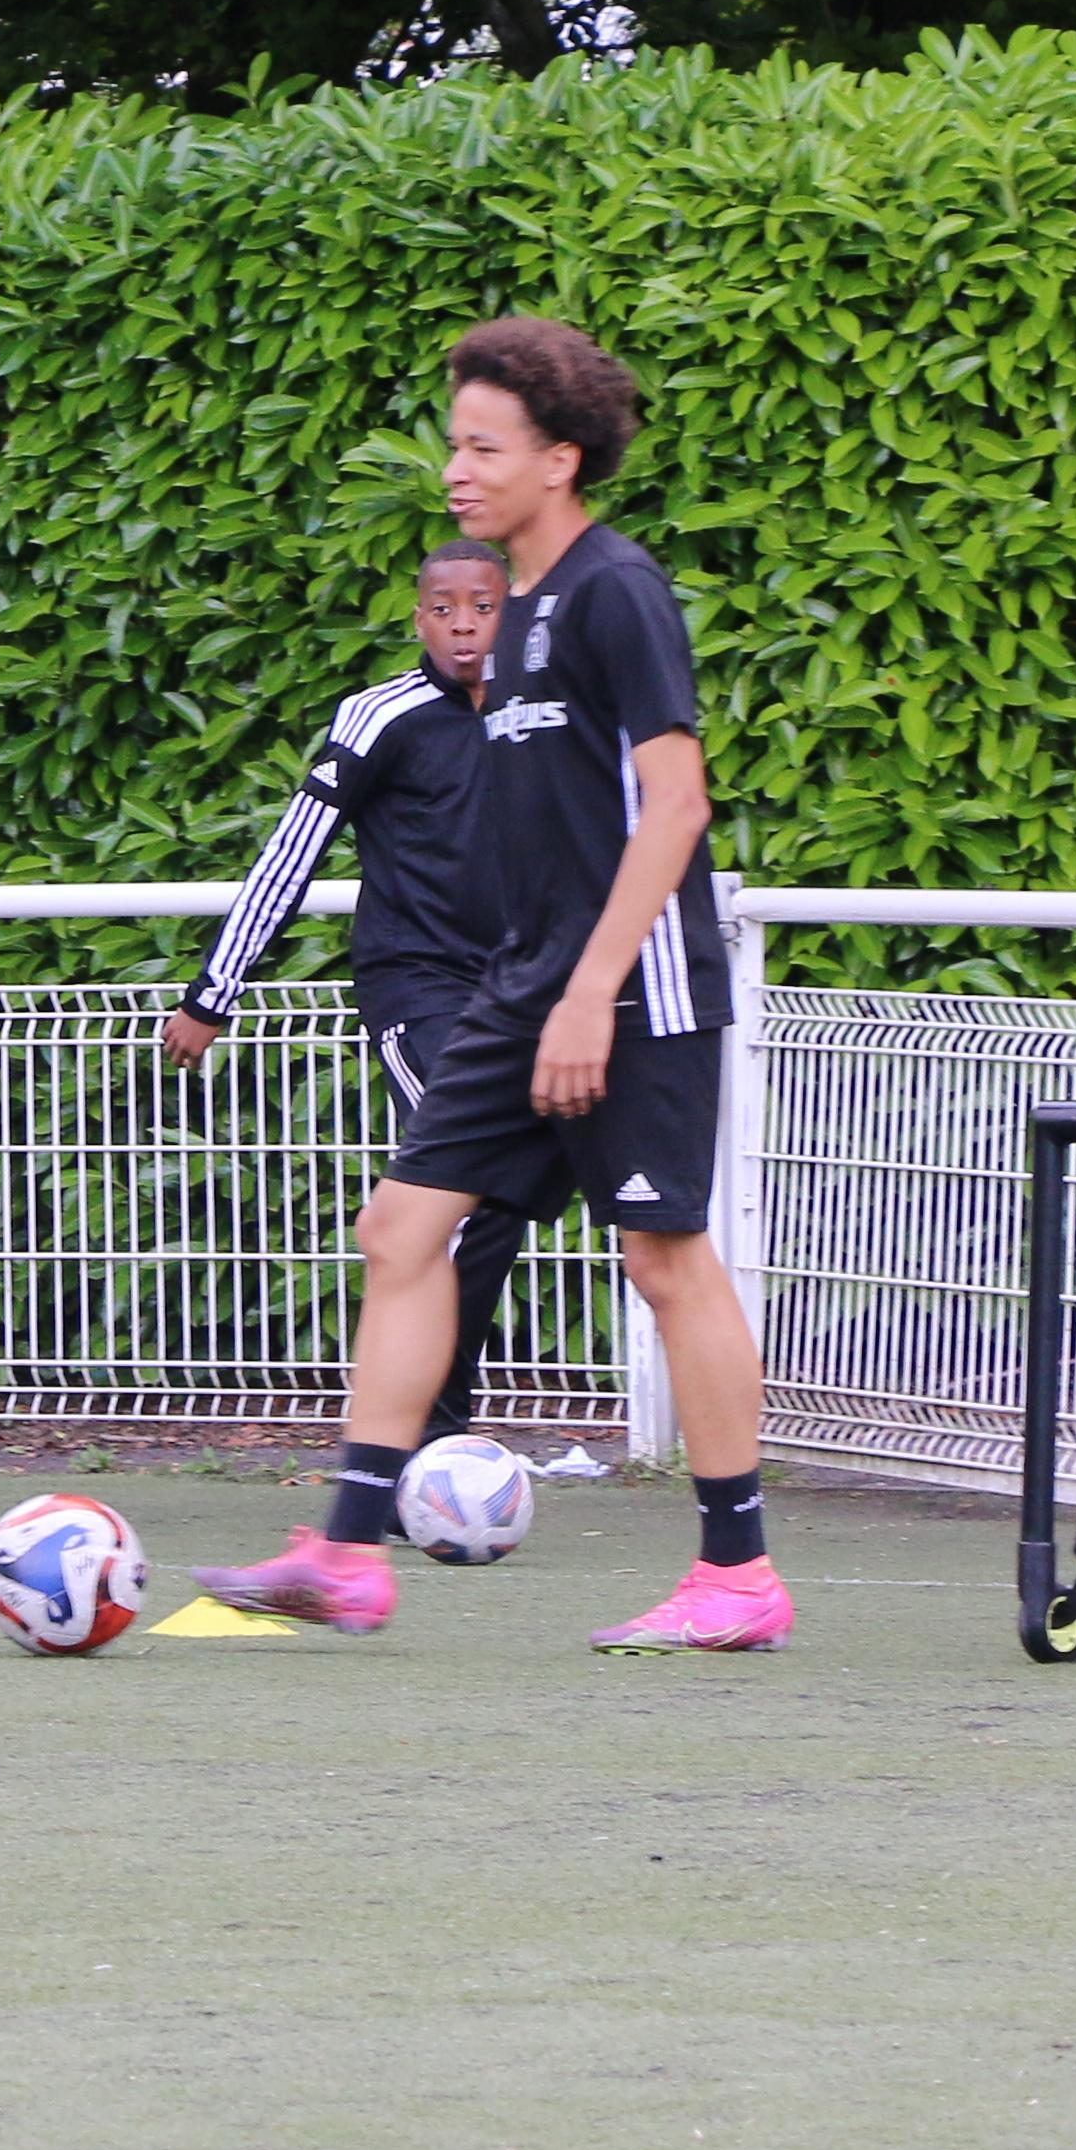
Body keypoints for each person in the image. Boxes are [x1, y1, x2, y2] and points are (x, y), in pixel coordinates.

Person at [195, 317, 787, 1651]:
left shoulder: (616, 592)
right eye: (454, 442)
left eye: (483, 445)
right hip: (525, 987)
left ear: (559, 459)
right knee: (402, 1233)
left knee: (665, 1261)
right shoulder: (512, 619)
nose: (457, 468)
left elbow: (676, 806)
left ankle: (738, 1576)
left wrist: (590, 993)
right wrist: (543, 987)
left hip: (633, 989)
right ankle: (349, 1551)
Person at [160, 532, 528, 1449]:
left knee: (497, 1202)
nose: (464, 626)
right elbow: (292, 853)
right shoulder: (378, 717)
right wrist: (214, 992)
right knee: (464, 1174)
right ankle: (418, 1442)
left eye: (482, 606)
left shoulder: (542, 715)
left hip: (523, 990)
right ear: (419, 618)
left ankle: (434, 1428)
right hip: (419, 989)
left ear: (508, 611)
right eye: (444, 609)